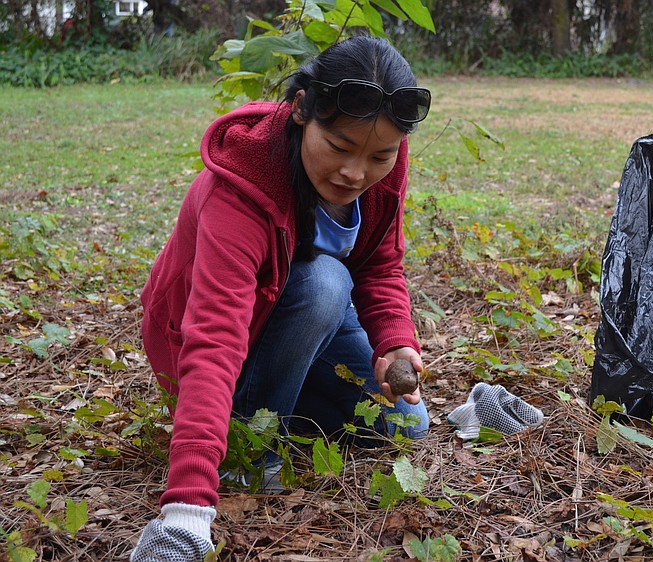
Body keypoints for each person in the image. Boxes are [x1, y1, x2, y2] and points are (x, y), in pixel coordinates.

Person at [130, 36, 432, 561]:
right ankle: (246, 451)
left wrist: (394, 343)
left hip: (296, 327)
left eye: (380, 156)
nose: (356, 173)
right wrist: (187, 508)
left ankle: (283, 413)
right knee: (324, 283)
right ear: (299, 111)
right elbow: (215, 340)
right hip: (215, 343)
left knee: (407, 425)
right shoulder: (242, 189)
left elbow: (380, 263)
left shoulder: (384, 159)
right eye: (338, 148)